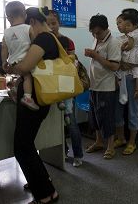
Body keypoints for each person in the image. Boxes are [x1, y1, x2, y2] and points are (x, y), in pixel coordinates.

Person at [6, 7, 59, 204]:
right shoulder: (51, 38)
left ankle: (44, 194)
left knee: (22, 147)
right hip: (40, 97)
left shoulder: (43, 38)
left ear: (33, 22)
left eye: (29, 26)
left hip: (34, 99)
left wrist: (12, 66)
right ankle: (48, 190)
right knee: (27, 145)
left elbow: (25, 67)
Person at [47, 10, 83, 167]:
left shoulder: (67, 41)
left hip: (65, 85)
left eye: (53, 23)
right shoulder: (42, 41)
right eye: (47, 24)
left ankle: (78, 155)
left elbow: (72, 63)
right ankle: (62, 152)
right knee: (53, 122)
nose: (50, 27)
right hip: (49, 86)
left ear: (59, 23)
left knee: (71, 121)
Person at [84, 14, 121, 159]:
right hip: (94, 85)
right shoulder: (96, 39)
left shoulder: (113, 43)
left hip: (106, 86)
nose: (95, 35)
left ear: (106, 29)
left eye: (98, 32)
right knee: (94, 117)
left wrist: (95, 56)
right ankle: (99, 141)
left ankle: (110, 147)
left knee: (106, 117)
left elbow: (114, 66)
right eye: (93, 32)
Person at [114, 11, 138, 155]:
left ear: (134, 25)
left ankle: (132, 142)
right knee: (118, 110)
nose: (122, 26)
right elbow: (116, 59)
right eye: (119, 23)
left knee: (133, 111)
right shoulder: (118, 39)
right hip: (119, 77)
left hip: (132, 78)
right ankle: (121, 138)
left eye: (124, 23)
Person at [2, 1, 39, 110]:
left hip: (12, 63)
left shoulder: (6, 32)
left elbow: (4, 49)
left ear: (8, 18)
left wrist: (4, 62)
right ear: (25, 15)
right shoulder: (28, 28)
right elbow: (35, 44)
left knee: (21, 78)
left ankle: (14, 89)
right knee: (27, 77)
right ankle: (27, 98)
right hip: (24, 62)